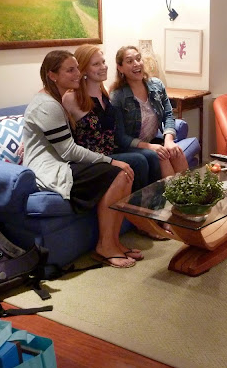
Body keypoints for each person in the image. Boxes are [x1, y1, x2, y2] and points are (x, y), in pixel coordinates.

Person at [23, 50, 140, 269]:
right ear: (52, 75)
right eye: (70, 70)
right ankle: (105, 246)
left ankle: (114, 242)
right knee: (118, 173)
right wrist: (110, 161)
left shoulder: (57, 98)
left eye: (77, 67)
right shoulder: (47, 104)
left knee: (125, 173)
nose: (78, 73)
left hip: (64, 162)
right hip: (50, 169)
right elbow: (68, 151)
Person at [62, 44, 170, 240]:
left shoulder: (104, 94)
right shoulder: (71, 98)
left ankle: (155, 216)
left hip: (111, 150)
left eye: (103, 62)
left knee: (153, 157)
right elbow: (56, 127)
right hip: (93, 157)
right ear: (84, 68)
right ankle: (143, 221)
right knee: (140, 161)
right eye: (96, 64)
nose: (103, 67)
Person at [110, 45, 189, 178]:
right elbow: (120, 137)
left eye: (138, 59)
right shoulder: (118, 96)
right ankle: (171, 197)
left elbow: (169, 115)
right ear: (120, 68)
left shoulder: (156, 85)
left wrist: (169, 140)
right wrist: (150, 147)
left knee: (176, 152)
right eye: (129, 61)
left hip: (153, 140)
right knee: (161, 156)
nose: (136, 64)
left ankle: (191, 195)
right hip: (131, 146)